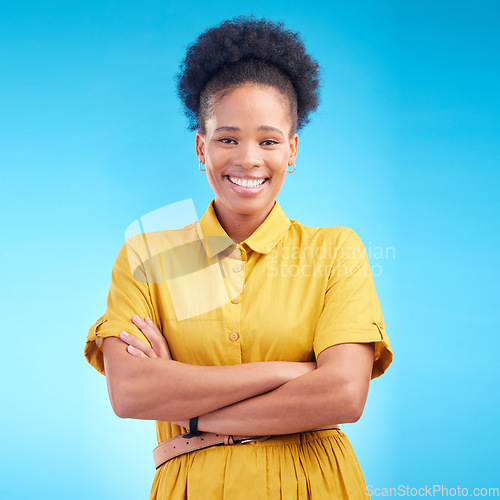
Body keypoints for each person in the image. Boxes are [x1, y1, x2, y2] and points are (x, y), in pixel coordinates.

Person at [84, 15, 393, 499]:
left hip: (316, 485)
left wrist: (186, 408)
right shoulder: (145, 255)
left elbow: (344, 395)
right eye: (227, 138)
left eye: (268, 141)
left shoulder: (336, 251)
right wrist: (286, 373)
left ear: (292, 150)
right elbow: (130, 394)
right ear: (201, 147)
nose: (248, 158)